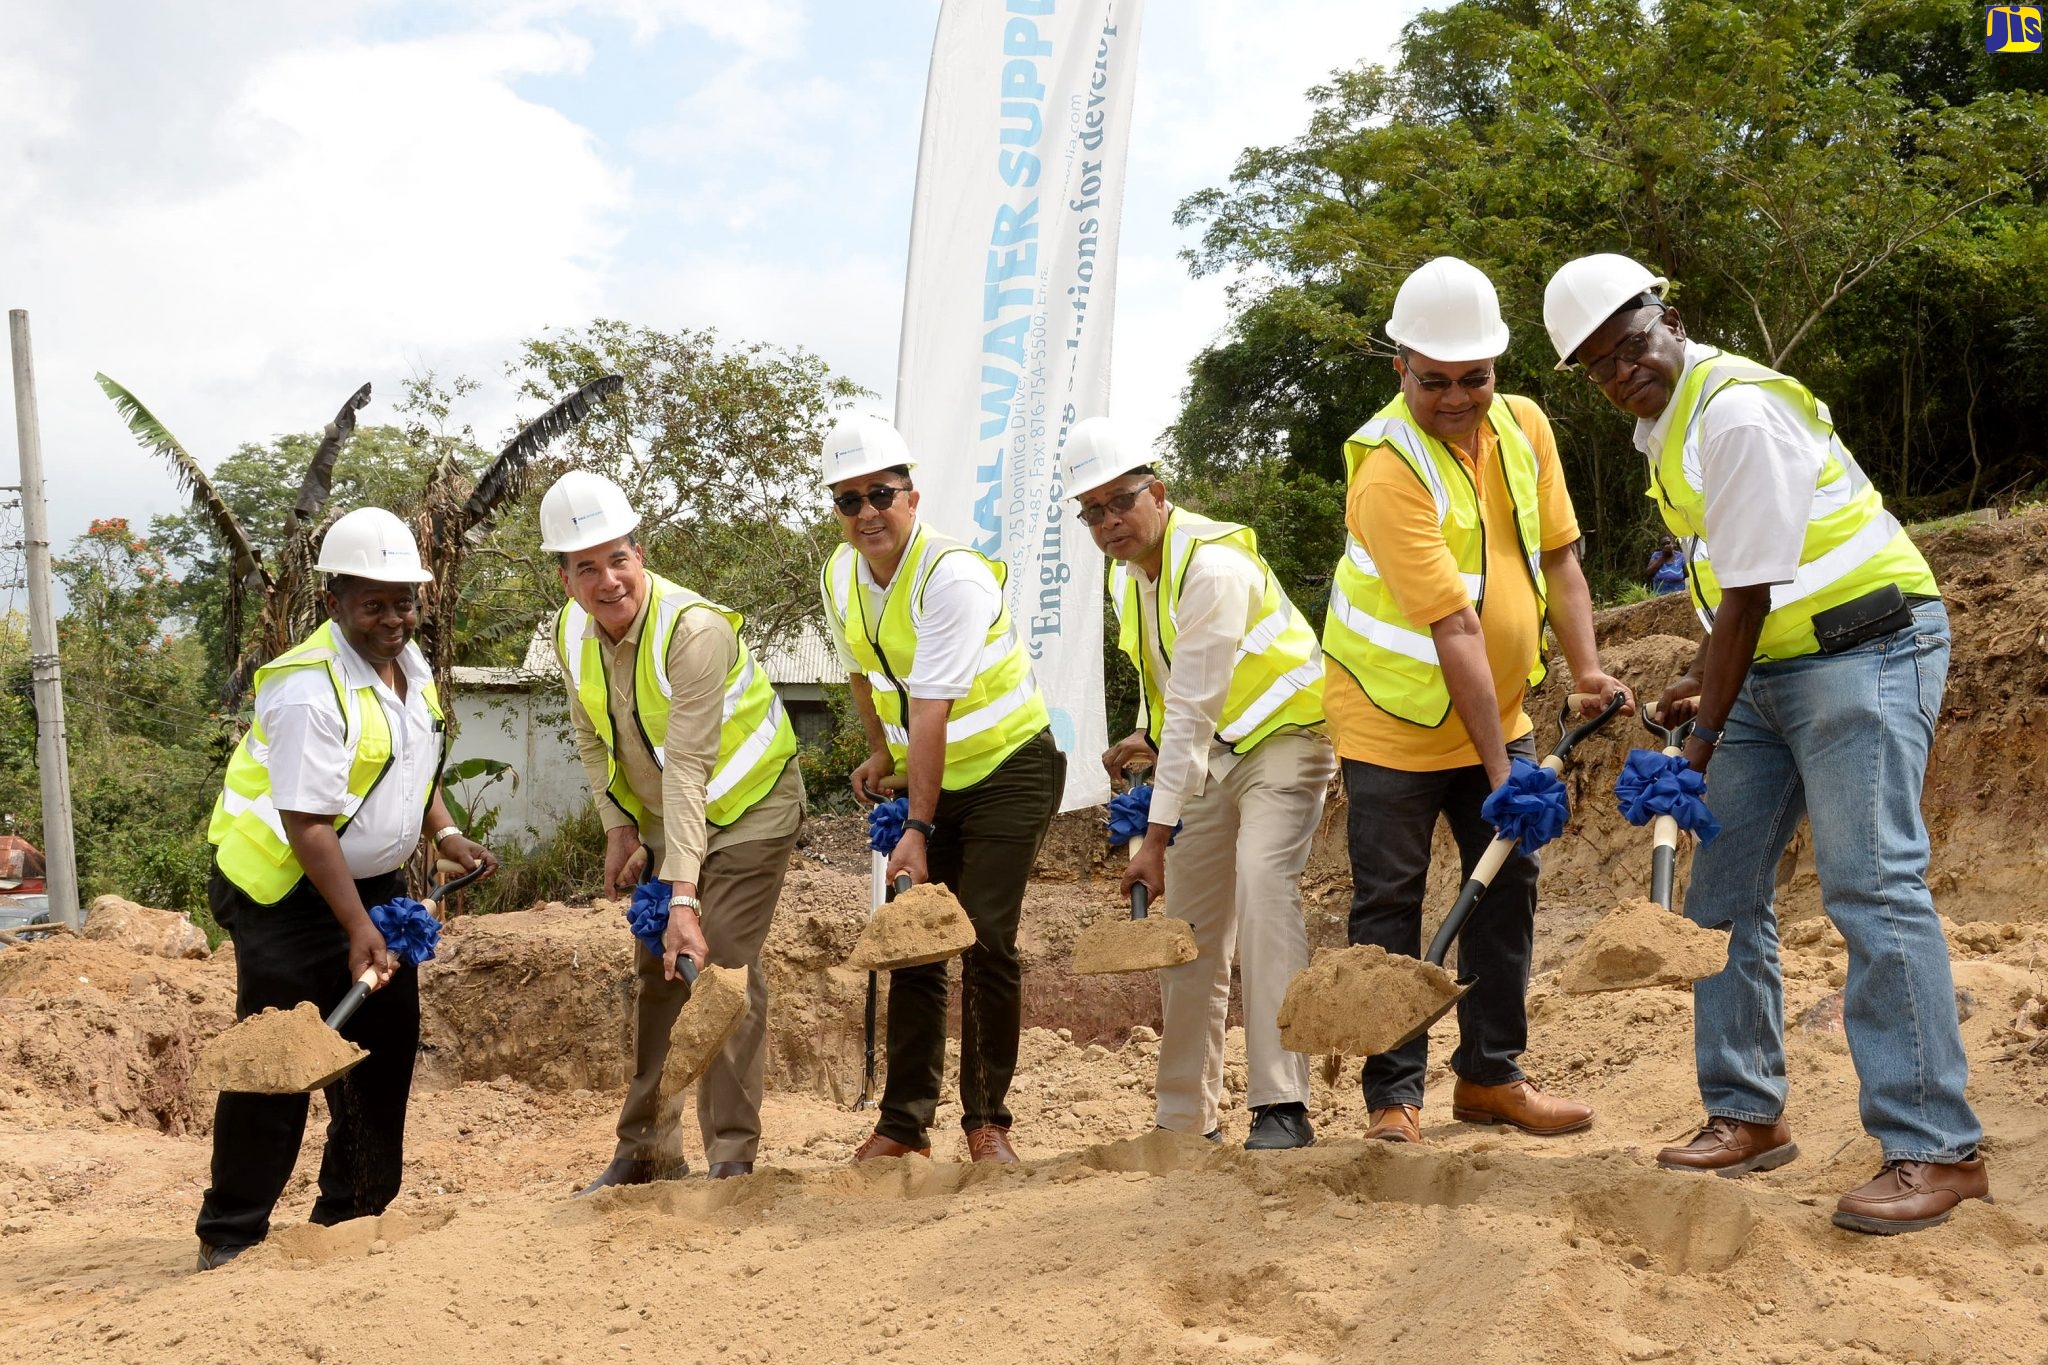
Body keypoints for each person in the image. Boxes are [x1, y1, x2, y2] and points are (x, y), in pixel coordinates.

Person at [1544, 253, 1989, 1234]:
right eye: (1596, 365)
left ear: (1667, 313)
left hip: (1864, 643)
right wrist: (1708, 676)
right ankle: (1746, 1113)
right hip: (1773, 665)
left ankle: (1934, 1149)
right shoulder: (1657, 428)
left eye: (1629, 344)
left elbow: (1748, 589)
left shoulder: (1735, 408)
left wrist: (1698, 735)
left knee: (1869, 883)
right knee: (1718, 891)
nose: (1621, 370)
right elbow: (1732, 576)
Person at [1321, 257, 1633, 1146]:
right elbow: (1455, 626)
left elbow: (1562, 557)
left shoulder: (1525, 424)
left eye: (1476, 377)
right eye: (1437, 380)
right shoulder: (1386, 470)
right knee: (1391, 901)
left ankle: (1491, 1078)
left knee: (1509, 886)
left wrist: (1587, 668)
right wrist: (1504, 773)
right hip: (1394, 719)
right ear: (1401, 368)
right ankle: (1393, 1096)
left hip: (1503, 707)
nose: (1458, 396)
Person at [195, 507, 494, 1270]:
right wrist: (358, 926)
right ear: (334, 601)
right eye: (373, 603)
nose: (393, 617)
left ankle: (349, 1215)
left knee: (382, 1046)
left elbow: (404, 763)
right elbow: (307, 825)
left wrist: (446, 832)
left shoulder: (411, 667)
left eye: (404, 601)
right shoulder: (307, 686)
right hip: (283, 896)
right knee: (279, 1059)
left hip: (370, 887)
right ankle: (232, 1235)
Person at [1065, 417, 1333, 1150]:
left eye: (1120, 501)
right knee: (1190, 930)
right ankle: (1185, 1119)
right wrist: (1145, 739)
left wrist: (1154, 835)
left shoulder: (1211, 567)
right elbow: (1169, 697)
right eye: (1092, 511)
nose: (1108, 521)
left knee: (1263, 882)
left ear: (1158, 492)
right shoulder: (1132, 580)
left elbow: (1191, 708)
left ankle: (1281, 1105)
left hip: (1286, 738)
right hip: (1212, 753)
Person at [543, 471, 805, 1192]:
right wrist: (619, 827)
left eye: (618, 557)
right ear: (564, 577)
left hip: (750, 807)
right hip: (667, 821)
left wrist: (683, 898)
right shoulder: (570, 633)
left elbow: (689, 764)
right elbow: (590, 735)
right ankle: (648, 1149)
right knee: (658, 972)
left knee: (716, 962)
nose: (608, 579)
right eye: (586, 566)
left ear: (641, 551)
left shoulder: (694, 631)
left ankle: (732, 1157)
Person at [819, 415, 1064, 1165]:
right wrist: (878, 754)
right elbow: (864, 674)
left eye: (881, 494)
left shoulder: (951, 575)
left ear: (912, 495)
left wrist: (915, 830)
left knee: (985, 937)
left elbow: (932, 708)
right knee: (915, 943)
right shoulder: (840, 576)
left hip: (1008, 768)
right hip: (931, 775)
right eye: (849, 499)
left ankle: (988, 1121)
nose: (866, 512)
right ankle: (902, 1126)